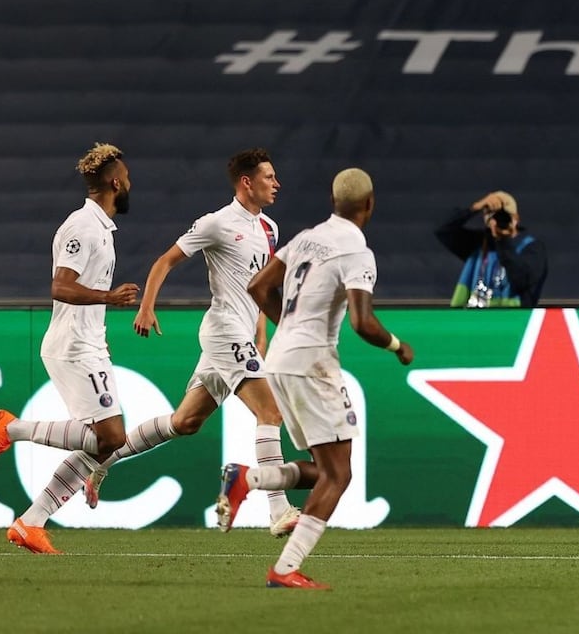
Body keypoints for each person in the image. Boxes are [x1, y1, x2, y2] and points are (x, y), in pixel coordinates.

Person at [80, 148, 301, 537]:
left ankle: (103, 461)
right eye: (269, 177)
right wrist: (147, 307)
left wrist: (263, 333)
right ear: (246, 182)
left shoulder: (270, 228)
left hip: (242, 335)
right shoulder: (216, 223)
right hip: (223, 331)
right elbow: (164, 261)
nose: (276, 183)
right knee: (271, 413)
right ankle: (278, 510)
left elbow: (262, 288)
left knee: (185, 422)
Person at [218, 167, 414, 589]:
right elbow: (363, 323)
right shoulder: (357, 252)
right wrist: (398, 346)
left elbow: (257, 287)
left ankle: (248, 479)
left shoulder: (307, 237)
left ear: (333, 201)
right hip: (311, 361)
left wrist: (286, 330)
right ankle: (284, 569)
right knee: (339, 476)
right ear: (369, 204)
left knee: (327, 469)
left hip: (282, 358)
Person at [0, 143, 140, 553]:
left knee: (104, 441)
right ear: (115, 183)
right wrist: (108, 298)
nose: (131, 184)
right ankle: (10, 429)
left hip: (88, 344)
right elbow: (61, 286)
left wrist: (102, 316)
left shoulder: (100, 227)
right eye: (128, 178)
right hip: (72, 347)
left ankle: (31, 523)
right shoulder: (82, 227)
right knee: (111, 437)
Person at [436, 190, 547, 307]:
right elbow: (441, 229)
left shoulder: (532, 248)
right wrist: (475, 207)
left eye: (504, 217)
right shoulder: (479, 244)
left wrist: (503, 240)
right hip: (475, 319)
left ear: (516, 219)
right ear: (486, 220)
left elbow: (521, 281)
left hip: (513, 321)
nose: (499, 221)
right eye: (493, 216)